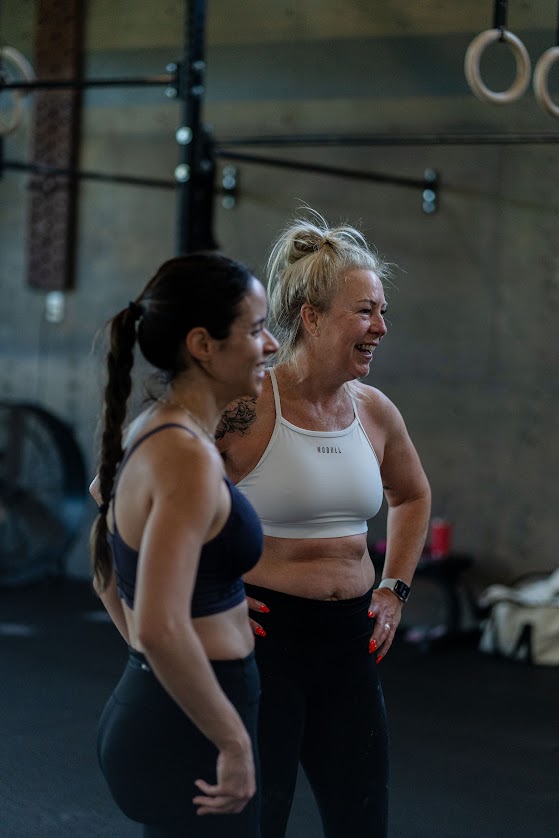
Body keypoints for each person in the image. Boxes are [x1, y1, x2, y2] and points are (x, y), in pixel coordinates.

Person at [216, 212, 432, 838]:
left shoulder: (374, 411)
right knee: (259, 820)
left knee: (362, 821)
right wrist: (207, 595)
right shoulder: (246, 406)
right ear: (311, 317)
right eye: (365, 312)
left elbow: (412, 495)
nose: (381, 327)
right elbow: (129, 492)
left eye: (382, 311)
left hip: (350, 644)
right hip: (264, 639)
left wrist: (394, 588)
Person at [89, 252, 278, 837]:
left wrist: (151, 664)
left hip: (168, 705)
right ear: (203, 345)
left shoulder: (155, 428)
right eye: (255, 329)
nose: (271, 345)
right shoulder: (186, 456)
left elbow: (106, 573)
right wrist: (233, 742)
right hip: (189, 722)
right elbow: (158, 626)